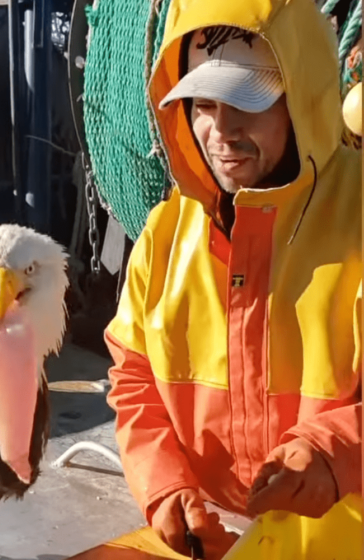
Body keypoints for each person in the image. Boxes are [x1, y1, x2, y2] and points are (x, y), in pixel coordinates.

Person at [104, 0, 362, 558]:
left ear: (303, 96)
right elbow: (134, 375)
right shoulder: (165, 231)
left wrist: (335, 451)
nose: (221, 129)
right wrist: (165, 488)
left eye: (248, 101)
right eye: (200, 103)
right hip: (217, 531)